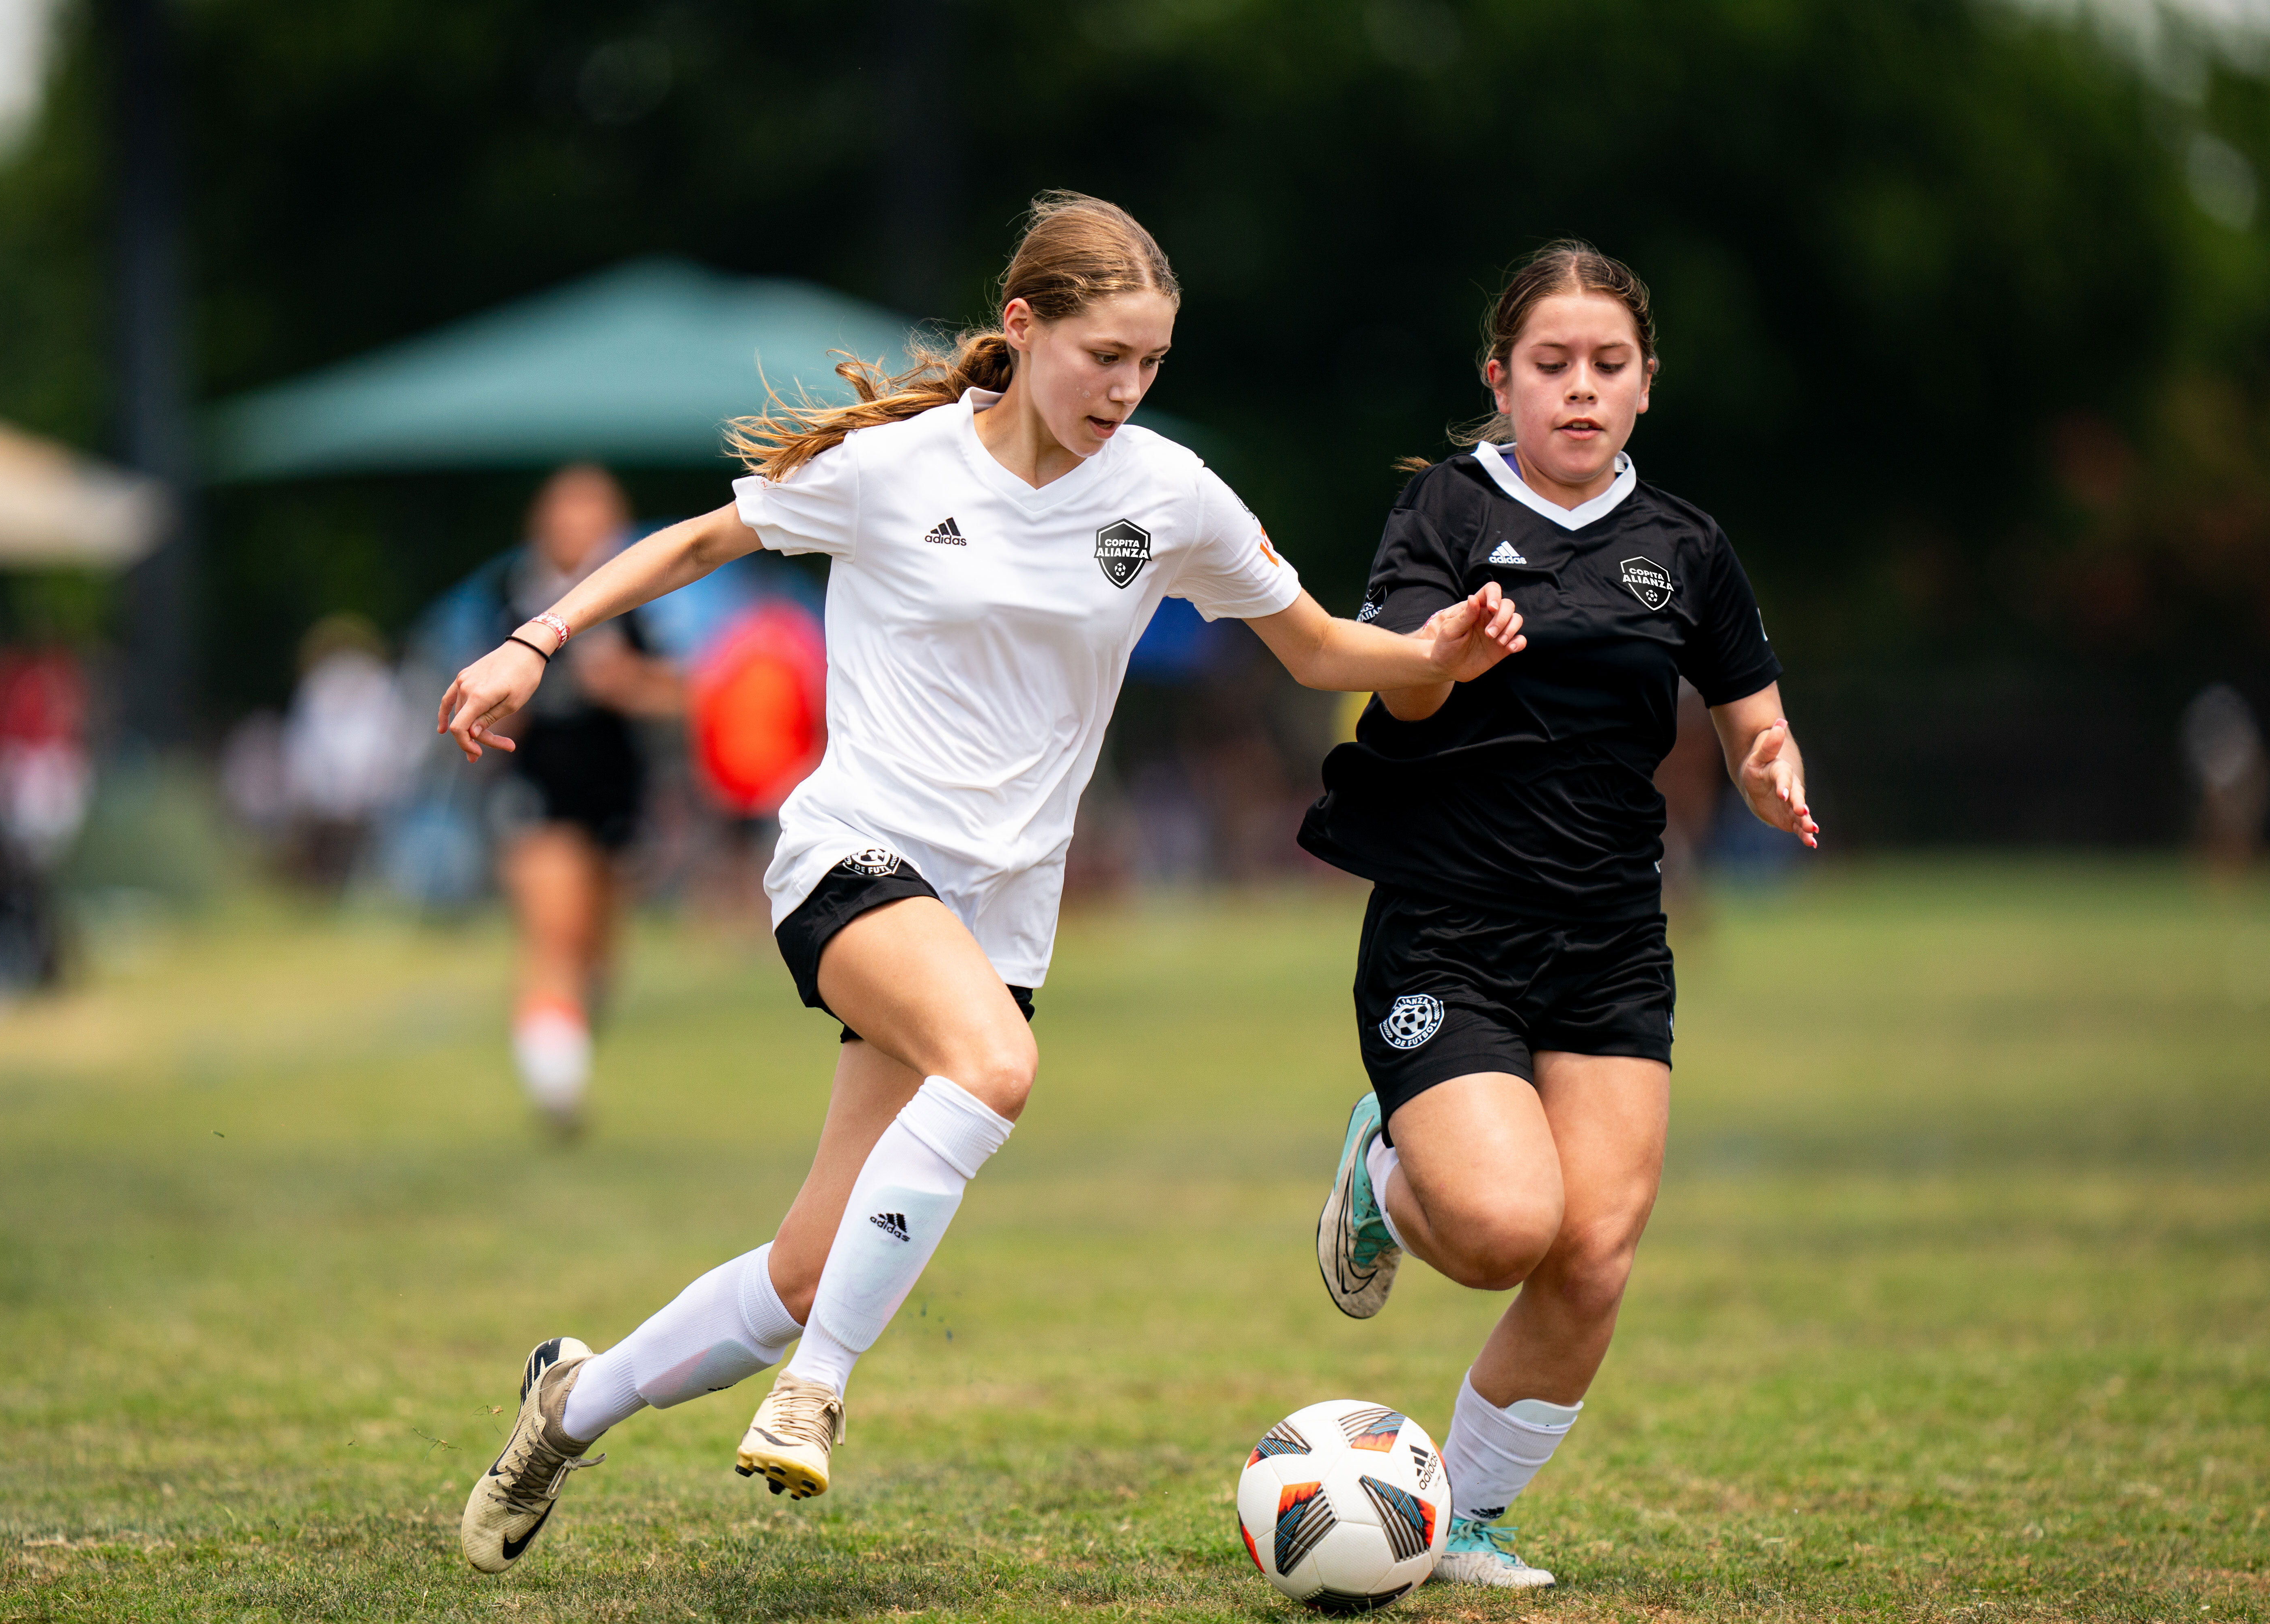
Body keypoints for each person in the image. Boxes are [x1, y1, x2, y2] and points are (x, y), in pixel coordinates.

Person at [434, 192, 1528, 1574]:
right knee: (995, 1069)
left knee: (800, 1272)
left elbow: (1311, 649)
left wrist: (1434, 656)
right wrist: (537, 638)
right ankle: (816, 1391)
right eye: (1102, 359)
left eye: (1149, 365)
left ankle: (568, 1408)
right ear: (1023, 330)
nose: (1125, 391)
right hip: (852, 855)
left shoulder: (1169, 496)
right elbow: (700, 544)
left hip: (1001, 912)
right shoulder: (897, 464)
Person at [1300, 242, 1818, 1592]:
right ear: (1502, 380)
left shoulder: (1687, 547)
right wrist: (1441, 658)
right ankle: (1385, 1169)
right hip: (1451, 927)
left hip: (1609, 939)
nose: (1579, 390)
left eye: (1607, 366)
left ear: (1646, 386)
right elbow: (1400, 694)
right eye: (1551, 366)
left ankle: (1458, 1515)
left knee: (1592, 1251)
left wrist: (1772, 772)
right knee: (1500, 1232)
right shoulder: (1446, 516)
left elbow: (1752, 710)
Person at [434, 466, 685, 1132]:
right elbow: (477, 702)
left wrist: (625, 683)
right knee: (557, 936)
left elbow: (681, 694)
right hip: (538, 791)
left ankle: (560, 1049)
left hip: (617, 792)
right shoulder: (508, 603)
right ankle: (557, 1091)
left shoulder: (629, 605)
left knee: (598, 955)